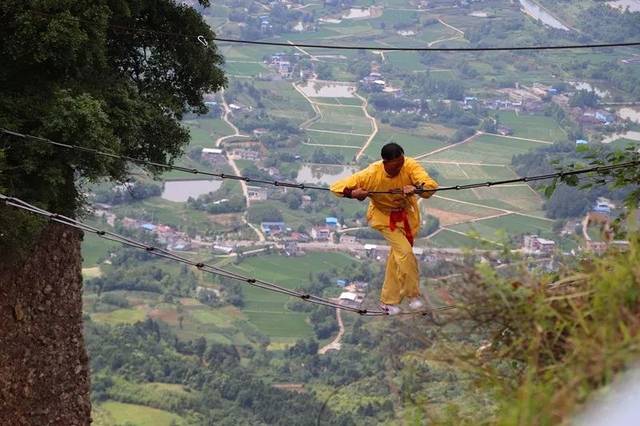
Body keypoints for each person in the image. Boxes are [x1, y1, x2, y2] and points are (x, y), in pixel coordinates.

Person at [331, 143, 438, 315]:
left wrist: (417, 188)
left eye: (401, 163)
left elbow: (430, 186)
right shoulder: (371, 174)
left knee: (397, 257)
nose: (399, 167)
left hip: (406, 217)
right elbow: (335, 187)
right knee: (405, 252)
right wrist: (352, 193)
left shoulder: (409, 165)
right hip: (384, 218)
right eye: (395, 165)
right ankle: (413, 296)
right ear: (385, 162)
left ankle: (388, 301)